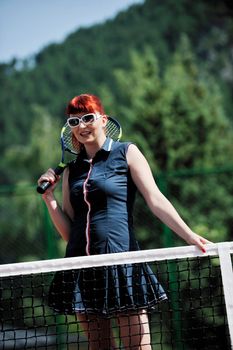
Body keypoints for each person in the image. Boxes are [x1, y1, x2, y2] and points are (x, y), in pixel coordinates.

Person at [38, 94, 210, 350]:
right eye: (74, 121)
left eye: (87, 118)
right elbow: (70, 232)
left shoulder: (126, 152)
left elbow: (155, 199)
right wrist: (49, 199)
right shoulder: (72, 170)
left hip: (121, 262)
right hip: (81, 267)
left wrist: (188, 235)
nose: (82, 126)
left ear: (103, 120)